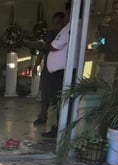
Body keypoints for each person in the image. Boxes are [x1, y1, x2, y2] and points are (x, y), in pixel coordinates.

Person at [41, 2, 72, 138]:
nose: (65, 18)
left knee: (57, 101)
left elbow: (54, 46)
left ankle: (56, 130)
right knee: (53, 98)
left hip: (61, 73)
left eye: (66, 15)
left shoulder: (69, 28)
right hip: (56, 73)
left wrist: (46, 45)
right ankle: (54, 127)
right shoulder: (64, 30)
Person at [32, 12, 66, 126]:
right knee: (45, 93)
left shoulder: (65, 34)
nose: (57, 25)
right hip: (47, 69)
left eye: (59, 23)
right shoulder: (50, 34)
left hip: (59, 71)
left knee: (57, 96)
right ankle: (42, 116)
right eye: (54, 23)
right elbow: (43, 50)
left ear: (63, 22)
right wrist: (36, 64)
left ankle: (57, 123)